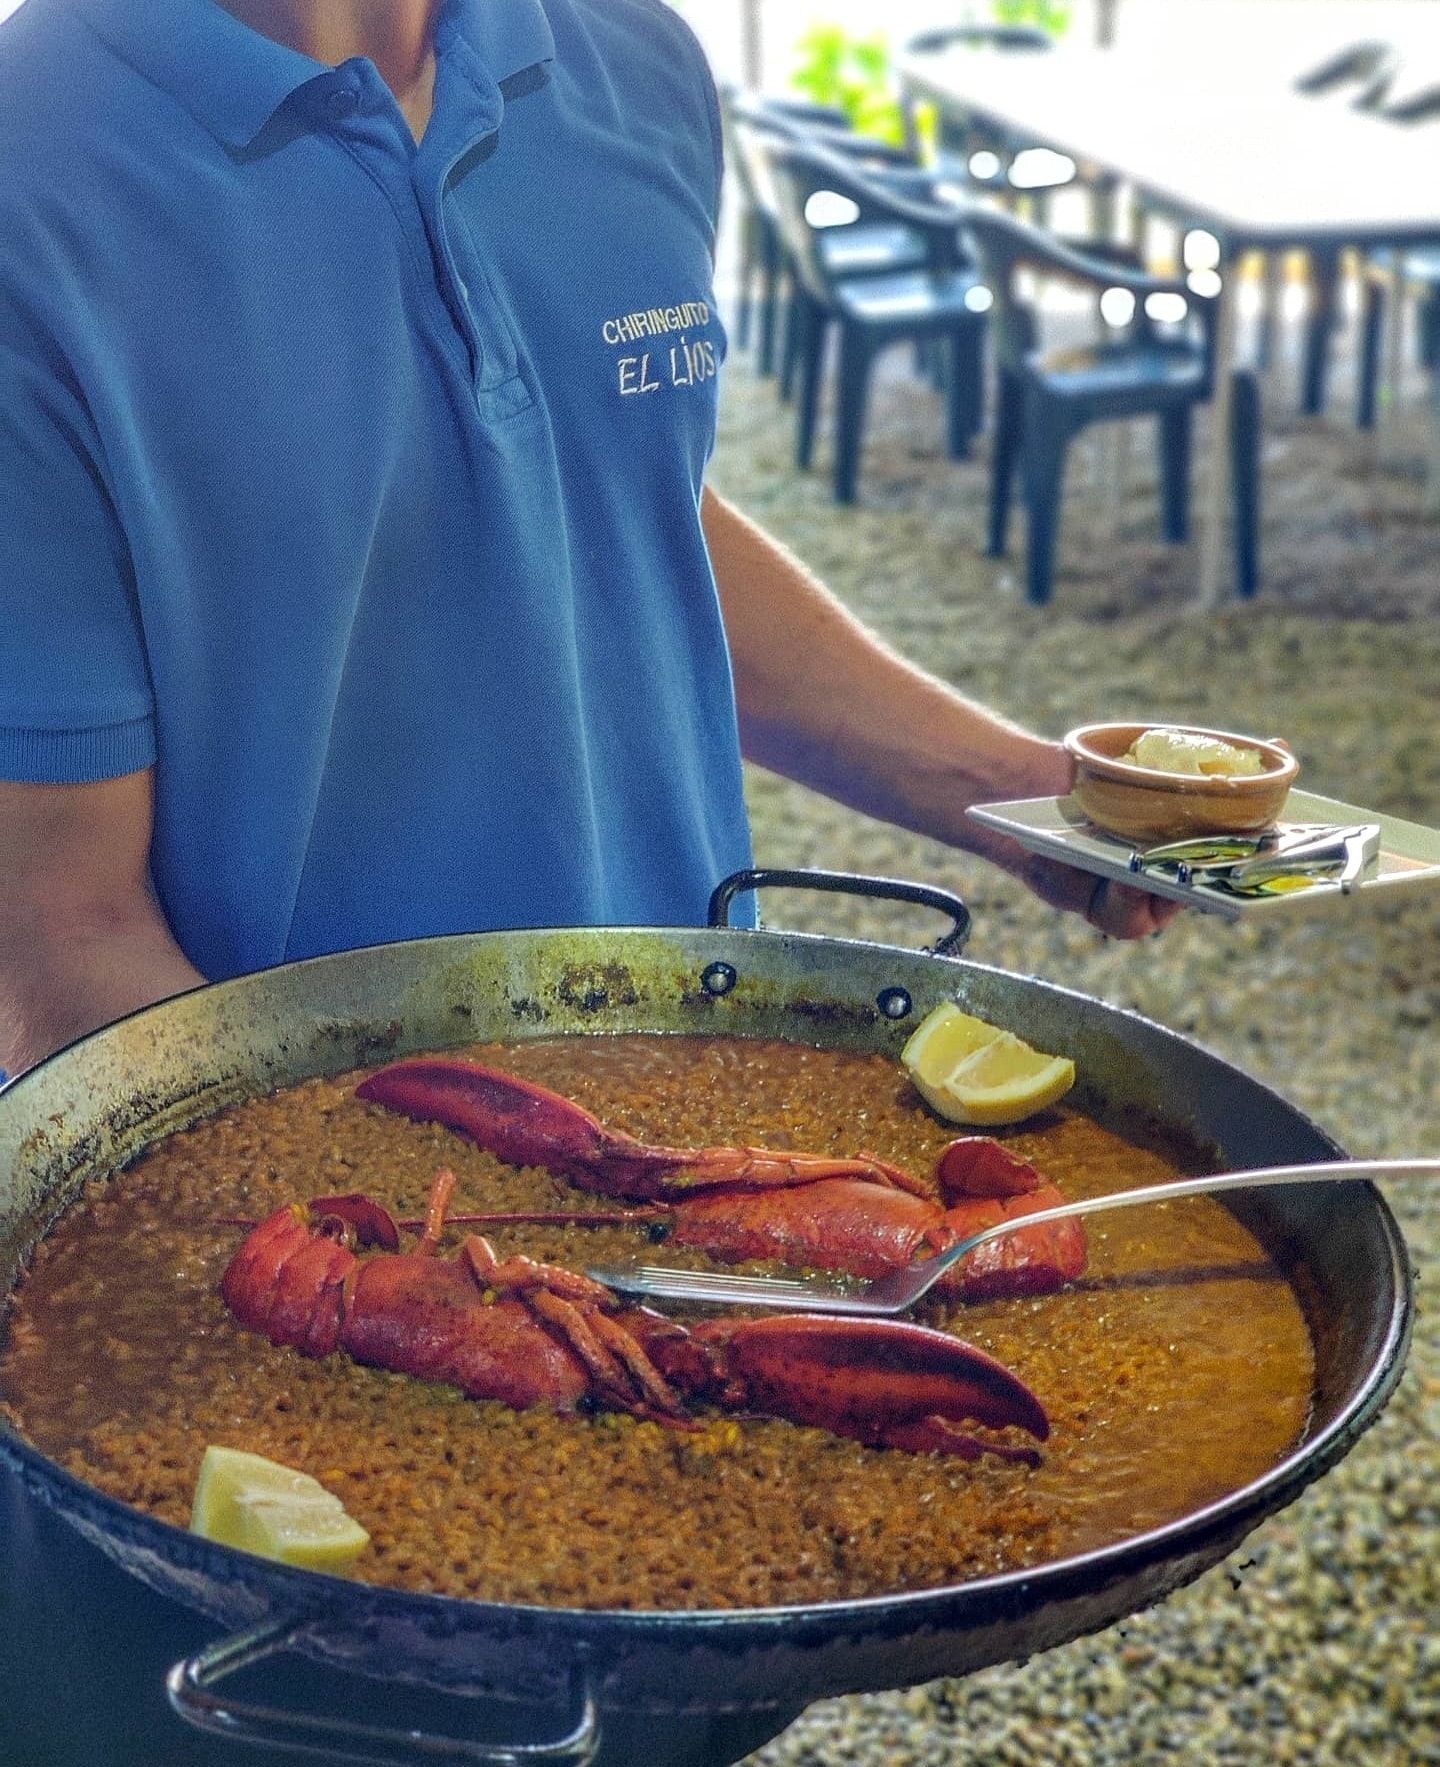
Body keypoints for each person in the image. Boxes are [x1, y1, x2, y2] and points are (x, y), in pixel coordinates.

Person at [0, 0, 1176, 1087]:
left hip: (688, 1064)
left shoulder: (635, 59)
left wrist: (1022, 797)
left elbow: (611, 510)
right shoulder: (35, 176)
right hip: (314, 1195)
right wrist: (405, 1246)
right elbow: (59, 935)